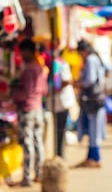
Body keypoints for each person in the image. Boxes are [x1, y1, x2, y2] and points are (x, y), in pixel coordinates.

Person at [11, 38, 48, 186]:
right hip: (38, 108)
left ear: (28, 51)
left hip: (27, 109)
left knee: (28, 144)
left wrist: (11, 97)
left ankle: (27, 177)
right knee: (38, 142)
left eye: (22, 52)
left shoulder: (28, 70)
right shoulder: (40, 68)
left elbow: (26, 93)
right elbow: (44, 90)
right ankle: (39, 173)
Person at [73, 40, 107, 168]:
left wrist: (78, 83)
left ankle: (96, 158)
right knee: (93, 128)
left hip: (92, 99)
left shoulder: (91, 59)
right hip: (96, 98)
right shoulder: (96, 58)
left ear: (83, 51)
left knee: (94, 129)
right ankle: (91, 157)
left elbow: (90, 80)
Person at [46, 51, 76, 158]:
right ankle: (58, 154)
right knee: (56, 132)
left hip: (62, 103)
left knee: (60, 131)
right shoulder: (50, 65)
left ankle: (60, 155)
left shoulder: (61, 64)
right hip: (55, 103)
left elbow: (67, 80)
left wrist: (56, 87)